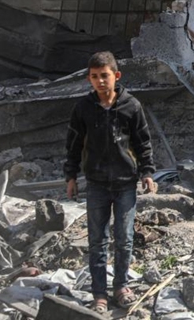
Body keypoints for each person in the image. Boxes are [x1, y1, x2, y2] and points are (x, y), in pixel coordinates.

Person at [64, 51, 157, 314]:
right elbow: (73, 145)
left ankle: (121, 287)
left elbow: (143, 142)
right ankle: (99, 294)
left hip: (126, 183)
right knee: (97, 240)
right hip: (96, 184)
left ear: (116, 76)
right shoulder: (83, 108)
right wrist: (71, 176)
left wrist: (147, 172)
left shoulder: (131, 106)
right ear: (89, 79)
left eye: (104, 75)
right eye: (94, 76)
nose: (100, 81)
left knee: (124, 238)